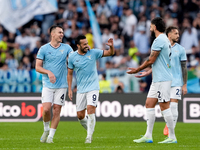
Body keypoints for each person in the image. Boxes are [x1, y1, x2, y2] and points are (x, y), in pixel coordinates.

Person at [127, 17, 177, 143]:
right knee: (149, 104)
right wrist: (149, 71)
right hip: (158, 79)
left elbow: (151, 60)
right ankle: (148, 136)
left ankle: (172, 137)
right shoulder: (164, 39)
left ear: (154, 27)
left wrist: (137, 69)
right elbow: (160, 61)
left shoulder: (159, 40)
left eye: (150, 26)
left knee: (164, 106)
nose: (149, 28)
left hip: (162, 79)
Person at [137, 26, 188, 136]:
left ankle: (170, 130)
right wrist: (148, 72)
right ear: (169, 35)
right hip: (163, 79)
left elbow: (184, 68)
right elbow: (159, 63)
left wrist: (184, 84)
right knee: (162, 106)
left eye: (178, 33)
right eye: (175, 33)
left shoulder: (181, 49)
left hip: (176, 82)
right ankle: (160, 129)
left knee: (173, 105)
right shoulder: (164, 46)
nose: (178, 35)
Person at [67, 35, 115, 143]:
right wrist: (70, 89)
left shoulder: (93, 53)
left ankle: (88, 137)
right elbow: (69, 73)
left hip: (93, 87)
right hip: (80, 89)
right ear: (78, 45)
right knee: (80, 115)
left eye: (87, 43)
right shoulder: (72, 57)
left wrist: (111, 47)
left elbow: (110, 53)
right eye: (84, 44)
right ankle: (90, 130)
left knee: (90, 109)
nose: (87, 45)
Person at [35, 25, 73, 143]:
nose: (62, 34)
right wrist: (48, 72)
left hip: (62, 85)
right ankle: (46, 129)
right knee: (46, 110)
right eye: (59, 32)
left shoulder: (67, 48)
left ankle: (50, 137)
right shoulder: (44, 49)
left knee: (57, 110)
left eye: (62, 32)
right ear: (52, 34)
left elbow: (74, 59)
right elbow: (37, 67)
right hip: (47, 85)